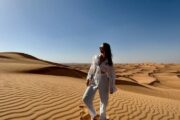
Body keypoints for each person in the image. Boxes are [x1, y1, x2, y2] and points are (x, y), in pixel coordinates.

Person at [82, 42, 117, 120]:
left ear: (106, 49)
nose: (100, 49)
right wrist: (89, 78)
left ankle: (102, 118)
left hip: (104, 80)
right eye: (100, 48)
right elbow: (92, 68)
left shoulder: (109, 62)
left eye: (102, 48)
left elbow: (112, 75)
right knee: (85, 98)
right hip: (94, 79)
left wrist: (112, 87)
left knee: (104, 101)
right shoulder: (96, 57)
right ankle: (94, 115)